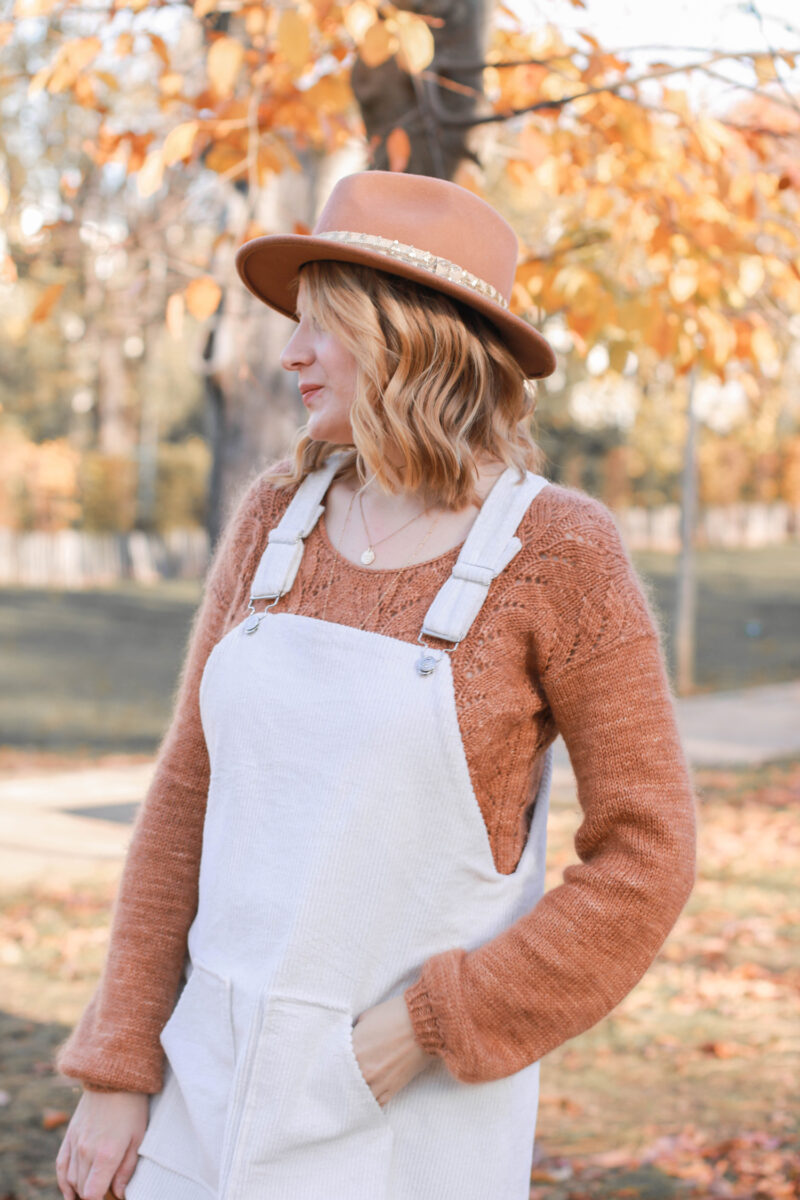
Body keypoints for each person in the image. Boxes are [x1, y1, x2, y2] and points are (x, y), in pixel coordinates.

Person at [54, 169, 697, 1200]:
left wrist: (430, 1023)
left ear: (411, 338)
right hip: (201, 1087)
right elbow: (186, 796)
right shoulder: (272, 518)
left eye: (324, 323)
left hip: (400, 1114)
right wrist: (120, 1066)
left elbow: (648, 853)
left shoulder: (559, 551)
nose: (291, 352)